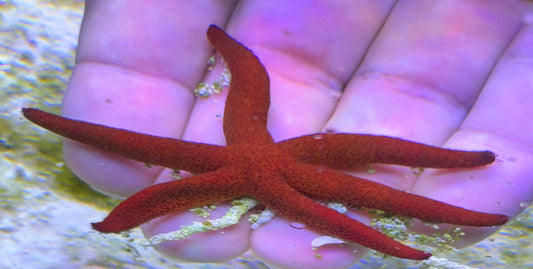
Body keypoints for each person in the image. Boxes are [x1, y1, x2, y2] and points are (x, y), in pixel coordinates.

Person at [60, 1, 533, 268]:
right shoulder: (263, 164)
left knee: (367, 181)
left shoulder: (257, 149)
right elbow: (248, 81)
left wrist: (462, 162)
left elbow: (250, 84)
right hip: (272, 162)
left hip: (272, 159)